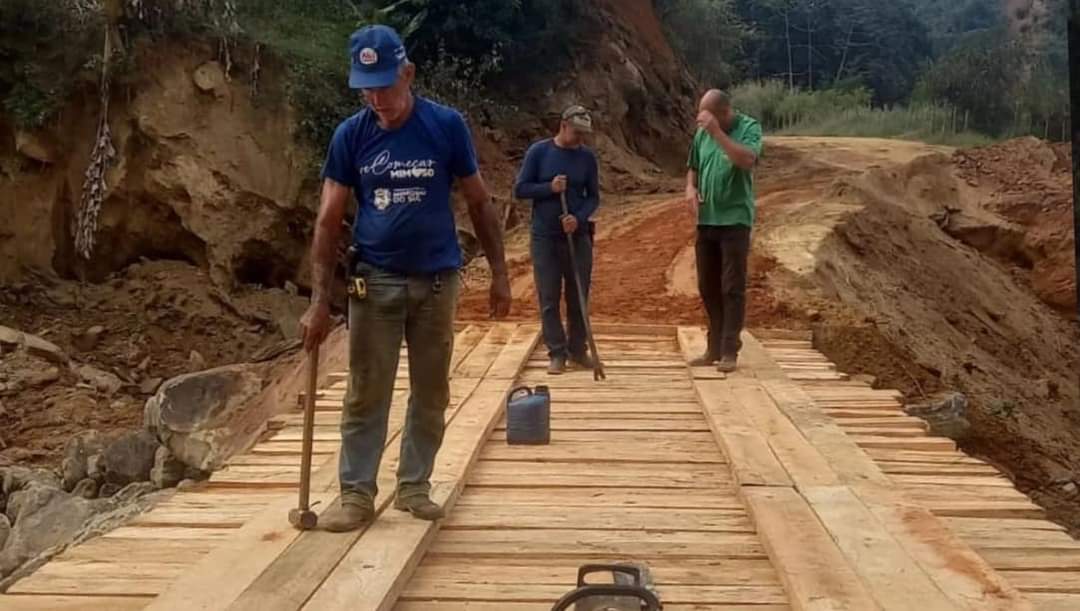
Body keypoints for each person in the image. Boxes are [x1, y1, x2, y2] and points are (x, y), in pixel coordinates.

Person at [298, 25, 511, 532]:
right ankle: (356, 494)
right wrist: (318, 301)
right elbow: (328, 219)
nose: (377, 98)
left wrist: (500, 274)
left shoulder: (446, 126)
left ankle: (414, 486)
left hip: (437, 282)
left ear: (408, 73)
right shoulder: (351, 135)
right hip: (375, 281)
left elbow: (479, 200)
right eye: (366, 88)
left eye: (386, 85)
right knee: (367, 390)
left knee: (432, 389)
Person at [514, 105, 600, 375]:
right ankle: (557, 352)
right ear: (563, 125)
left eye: (584, 134)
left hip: (578, 236)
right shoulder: (539, 153)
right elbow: (521, 189)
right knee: (549, 295)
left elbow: (594, 197)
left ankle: (578, 350)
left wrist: (579, 218)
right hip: (546, 238)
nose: (580, 139)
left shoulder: (587, 158)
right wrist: (549, 188)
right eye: (576, 133)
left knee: (578, 294)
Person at [685, 89, 763, 373]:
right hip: (707, 219)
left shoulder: (748, 127)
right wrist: (690, 188)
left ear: (723, 112)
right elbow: (692, 166)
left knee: (732, 287)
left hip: (735, 220)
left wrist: (717, 133)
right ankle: (713, 347)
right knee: (708, 286)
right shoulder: (702, 134)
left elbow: (747, 161)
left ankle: (730, 349)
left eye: (707, 117)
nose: (702, 122)